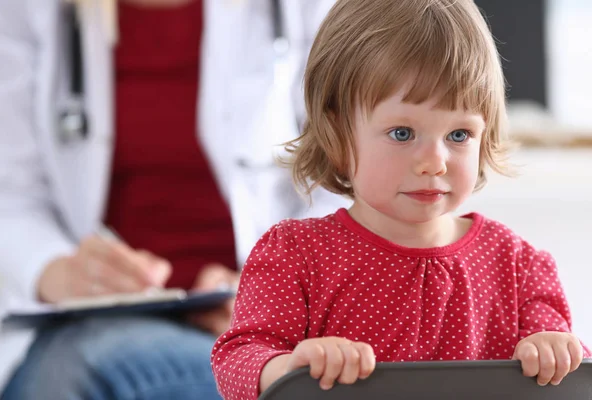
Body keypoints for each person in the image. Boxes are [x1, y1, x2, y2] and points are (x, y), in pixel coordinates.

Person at [210, 0, 592, 399]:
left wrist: (558, 350)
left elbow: (569, 362)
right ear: (337, 133)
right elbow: (237, 361)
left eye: (459, 135)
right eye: (402, 133)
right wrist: (289, 369)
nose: (434, 162)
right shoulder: (293, 256)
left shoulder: (519, 266)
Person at [0, 0, 345, 399]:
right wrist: (56, 270)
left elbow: (355, 178)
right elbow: (8, 192)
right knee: (72, 363)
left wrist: (268, 292)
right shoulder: (24, 9)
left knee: (73, 371)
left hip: (254, 338)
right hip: (98, 324)